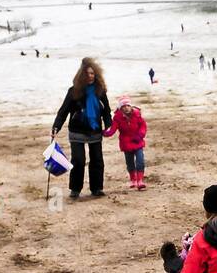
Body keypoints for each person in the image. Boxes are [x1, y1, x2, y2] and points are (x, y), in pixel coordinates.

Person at [52, 57, 112, 199]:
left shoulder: (100, 91)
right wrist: (56, 127)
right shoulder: (74, 91)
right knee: (78, 160)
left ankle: (96, 188)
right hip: (77, 130)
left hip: (95, 129)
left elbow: (106, 111)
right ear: (82, 75)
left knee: (97, 159)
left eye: (92, 73)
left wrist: (109, 125)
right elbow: (64, 111)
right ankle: (75, 189)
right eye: (87, 73)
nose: (90, 76)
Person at [103, 95, 148, 189]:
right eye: (123, 106)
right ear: (120, 108)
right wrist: (106, 133)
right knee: (130, 162)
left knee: (140, 161)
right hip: (126, 143)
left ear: (131, 106)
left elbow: (143, 126)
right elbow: (113, 129)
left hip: (137, 142)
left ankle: (140, 180)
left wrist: (140, 135)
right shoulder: (117, 118)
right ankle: (133, 179)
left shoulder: (137, 115)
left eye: (128, 106)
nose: (126, 108)